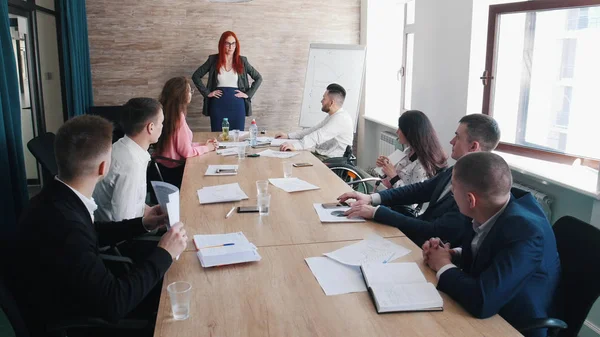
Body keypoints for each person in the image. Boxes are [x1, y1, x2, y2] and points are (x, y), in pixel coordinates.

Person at [13, 115, 188, 336]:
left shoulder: (57, 197)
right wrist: (164, 253)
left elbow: (92, 233)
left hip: (71, 290)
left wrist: (142, 224)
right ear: (104, 168)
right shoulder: (66, 226)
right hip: (75, 317)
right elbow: (114, 304)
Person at [422, 152, 560, 337]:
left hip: (512, 323)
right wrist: (452, 254)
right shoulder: (491, 204)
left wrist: (442, 264)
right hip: (489, 306)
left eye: (453, 189)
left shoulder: (526, 232)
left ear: (471, 200)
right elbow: (491, 247)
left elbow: (482, 302)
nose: (452, 194)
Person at [338, 114, 501, 247]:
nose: (451, 141)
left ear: (473, 146)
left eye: (457, 137)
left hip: (429, 246)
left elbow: (433, 230)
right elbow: (419, 190)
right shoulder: (457, 169)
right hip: (418, 236)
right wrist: (371, 198)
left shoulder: (476, 188)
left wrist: (376, 212)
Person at [93, 97, 163, 222]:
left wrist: (148, 210)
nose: (162, 127)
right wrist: (152, 224)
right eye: (161, 122)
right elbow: (124, 221)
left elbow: (129, 203)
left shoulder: (121, 146)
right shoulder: (131, 164)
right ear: (151, 127)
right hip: (118, 236)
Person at [153, 76, 217, 188]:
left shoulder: (163, 112)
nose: (191, 94)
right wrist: (207, 148)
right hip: (175, 171)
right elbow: (186, 152)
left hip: (162, 167)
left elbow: (180, 145)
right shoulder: (178, 118)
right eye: (189, 91)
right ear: (181, 94)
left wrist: (203, 145)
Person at [192, 31, 262, 131]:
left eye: (233, 43)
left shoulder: (242, 61)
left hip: (237, 105)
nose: (231, 47)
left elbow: (258, 78)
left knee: (237, 137)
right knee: (218, 136)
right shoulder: (213, 60)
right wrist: (207, 93)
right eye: (227, 43)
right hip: (218, 104)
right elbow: (196, 76)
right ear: (222, 44)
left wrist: (248, 94)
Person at [275, 83, 353, 160]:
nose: (321, 101)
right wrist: (288, 136)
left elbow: (318, 136)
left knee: (294, 159)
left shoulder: (341, 119)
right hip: (322, 154)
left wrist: (295, 146)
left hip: (330, 159)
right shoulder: (333, 116)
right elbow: (314, 130)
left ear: (331, 102)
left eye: (324, 98)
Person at [376, 110, 447, 189]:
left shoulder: (422, 165)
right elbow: (393, 181)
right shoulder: (409, 151)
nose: (397, 131)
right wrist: (385, 167)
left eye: (400, 128)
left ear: (410, 132)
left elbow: (412, 198)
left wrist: (393, 176)